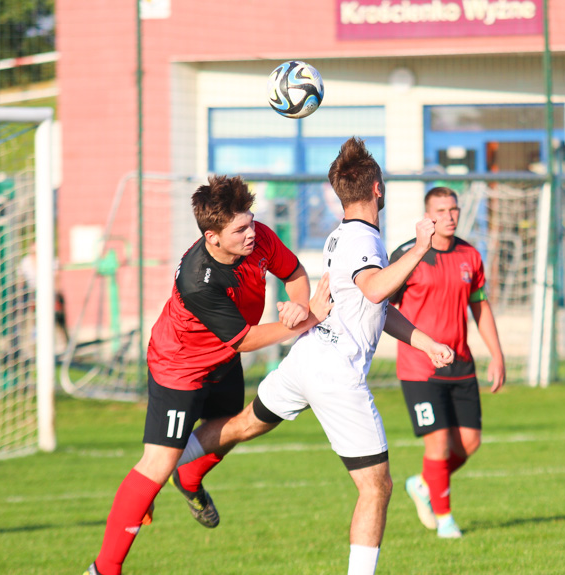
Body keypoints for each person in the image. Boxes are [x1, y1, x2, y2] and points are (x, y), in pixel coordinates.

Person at [171, 137, 455, 575]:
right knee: (376, 487)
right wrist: (419, 246)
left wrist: (422, 340)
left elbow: (371, 304)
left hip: (308, 357)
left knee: (247, 423)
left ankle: (178, 461)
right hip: (336, 373)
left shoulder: (343, 234)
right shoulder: (364, 239)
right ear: (378, 188)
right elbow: (375, 288)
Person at [85, 174, 332, 575]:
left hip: (221, 361)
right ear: (212, 237)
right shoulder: (199, 280)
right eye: (240, 229)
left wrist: (300, 305)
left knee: (242, 425)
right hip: (179, 367)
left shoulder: (261, 237)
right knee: (157, 462)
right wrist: (309, 320)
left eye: (251, 222)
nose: (252, 233)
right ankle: (103, 569)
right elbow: (247, 340)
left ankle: (190, 475)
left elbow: (296, 273)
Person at [390, 186, 506, 539]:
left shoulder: (470, 254)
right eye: (441, 210)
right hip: (419, 369)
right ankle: (445, 520)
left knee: (470, 443)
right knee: (438, 444)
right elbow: (381, 305)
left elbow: (480, 305)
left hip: (461, 366)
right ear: (428, 217)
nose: (450, 216)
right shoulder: (407, 255)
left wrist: (497, 355)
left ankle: (424, 484)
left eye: (454, 209)